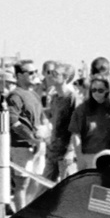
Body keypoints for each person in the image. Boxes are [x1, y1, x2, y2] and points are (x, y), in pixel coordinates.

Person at [5, 64, 43, 208]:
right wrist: (31, 139)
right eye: (30, 72)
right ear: (19, 75)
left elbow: (42, 117)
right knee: (22, 183)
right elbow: (13, 121)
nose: (34, 75)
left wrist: (44, 133)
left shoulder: (34, 95)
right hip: (22, 145)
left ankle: (30, 211)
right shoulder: (15, 96)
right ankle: (20, 214)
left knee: (36, 181)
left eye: (35, 71)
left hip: (38, 145)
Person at [40, 61, 80, 186]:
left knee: (66, 189)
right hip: (53, 150)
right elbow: (51, 118)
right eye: (50, 73)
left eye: (55, 73)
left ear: (65, 78)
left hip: (66, 151)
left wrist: (71, 151)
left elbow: (77, 127)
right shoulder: (55, 98)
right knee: (44, 187)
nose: (51, 75)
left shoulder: (72, 98)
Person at [69, 77, 110, 171]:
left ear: (107, 91)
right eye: (93, 90)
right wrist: (80, 158)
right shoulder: (82, 109)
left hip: (109, 157)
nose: (96, 93)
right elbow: (75, 135)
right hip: (88, 157)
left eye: (100, 90)